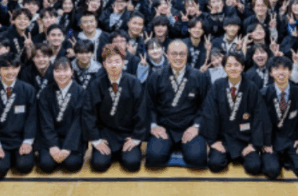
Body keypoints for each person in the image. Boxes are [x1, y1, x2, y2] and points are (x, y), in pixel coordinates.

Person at [144, 39, 211, 169]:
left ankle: (181, 148)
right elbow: (149, 104)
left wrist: (197, 126)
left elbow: (206, 105)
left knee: (198, 159)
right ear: (167, 55)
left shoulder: (199, 77)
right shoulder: (156, 76)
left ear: (187, 55)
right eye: (174, 54)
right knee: (154, 158)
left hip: (189, 126)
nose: (178, 58)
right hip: (165, 127)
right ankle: (170, 147)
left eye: (182, 54)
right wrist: (153, 125)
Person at [83, 44, 148, 172]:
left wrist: (136, 138)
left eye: (117, 61)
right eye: (109, 62)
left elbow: (141, 111)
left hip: (128, 134)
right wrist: (96, 140)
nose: (113, 65)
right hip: (105, 134)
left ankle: (123, 153)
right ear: (104, 64)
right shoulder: (96, 84)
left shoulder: (133, 82)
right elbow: (88, 113)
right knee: (99, 165)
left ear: (123, 63)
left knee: (132, 164)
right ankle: (112, 154)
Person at [204, 51, 266, 175]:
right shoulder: (217, 85)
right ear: (224, 68)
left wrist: (254, 145)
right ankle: (231, 155)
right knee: (215, 165)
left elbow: (259, 116)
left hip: (245, 139)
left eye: (236, 65)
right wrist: (212, 141)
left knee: (254, 167)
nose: (233, 68)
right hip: (224, 139)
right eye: (229, 65)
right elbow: (209, 114)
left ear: (242, 67)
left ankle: (238, 155)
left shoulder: (251, 87)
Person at [0, 54, 37, 179]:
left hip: (20, 140)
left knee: (24, 167)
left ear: (19, 68)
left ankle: (14, 158)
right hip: (0, 140)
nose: (10, 72)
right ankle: (8, 158)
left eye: (14, 68)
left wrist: (27, 142)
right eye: (5, 68)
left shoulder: (28, 90)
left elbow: (31, 118)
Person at [256, 55, 298, 180]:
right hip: (271, 141)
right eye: (276, 69)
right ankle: (279, 159)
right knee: (271, 171)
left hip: (292, 140)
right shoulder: (263, 94)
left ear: (290, 72)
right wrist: (264, 143)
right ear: (270, 73)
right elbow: (259, 122)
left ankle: (287, 159)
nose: (281, 72)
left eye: (284, 69)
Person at [36, 57, 87, 173]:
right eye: (57, 71)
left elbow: (78, 122)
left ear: (72, 72)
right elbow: (45, 121)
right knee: (46, 165)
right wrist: (53, 146)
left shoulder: (81, 92)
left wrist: (68, 147)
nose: (62, 74)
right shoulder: (45, 92)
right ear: (53, 72)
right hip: (51, 138)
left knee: (72, 164)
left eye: (65, 70)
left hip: (73, 138)